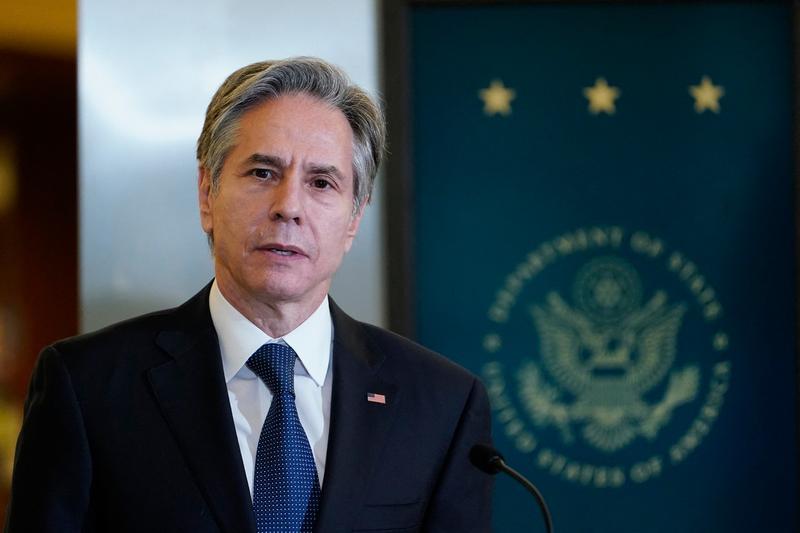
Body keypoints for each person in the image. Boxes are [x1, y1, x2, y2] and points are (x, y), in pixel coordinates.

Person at [5, 57, 492, 532]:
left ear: (354, 219)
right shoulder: (87, 386)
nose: (289, 207)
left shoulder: (442, 404)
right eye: (263, 173)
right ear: (207, 193)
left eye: (322, 182)